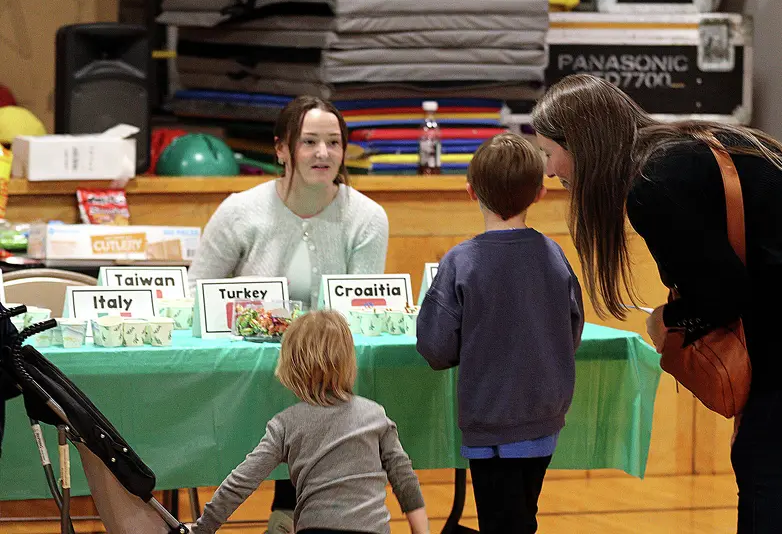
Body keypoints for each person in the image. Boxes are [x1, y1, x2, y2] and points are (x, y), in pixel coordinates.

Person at [531, 74, 782, 534]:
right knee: (765, 452)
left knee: (760, 455)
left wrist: (666, 321)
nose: (549, 169)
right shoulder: (667, 152)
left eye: (549, 153)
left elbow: (725, 296)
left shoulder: (653, 182)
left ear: (583, 143)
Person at [187, 96, 389, 531]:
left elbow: (360, 313)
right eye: (310, 142)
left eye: (334, 143)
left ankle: (295, 514)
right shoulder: (239, 211)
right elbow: (196, 294)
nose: (323, 153)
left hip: (331, 378)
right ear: (281, 149)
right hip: (243, 374)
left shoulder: (368, 217)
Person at [416, 133, 585, 534]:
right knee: (522, 515)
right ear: (541, 193)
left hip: (491, 421)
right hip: (544, 419)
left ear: (471, 190)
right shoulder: (555, 255)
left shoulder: (462, 261)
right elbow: (571, 328)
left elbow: (436, 347)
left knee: (502, 521)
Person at [192, 311, 429, 534]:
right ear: (348, 362)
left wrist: (203, 528)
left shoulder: (285, 424)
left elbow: (241, 482)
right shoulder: (375, 415)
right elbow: (404, 478)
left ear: (290, 367)